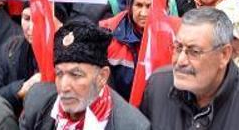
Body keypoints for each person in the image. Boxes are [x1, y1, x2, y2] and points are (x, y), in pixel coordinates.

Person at [140, 7, 239, 129]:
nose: (181, 61)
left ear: (224, 55)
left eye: (194, 52)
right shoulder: (157, 86)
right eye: (178, 48)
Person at [19, 20, 149, 129]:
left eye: (76, 75)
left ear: (102, 77)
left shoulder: (133, 126)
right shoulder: (36, 101)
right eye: (59, 73)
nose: (64, 87)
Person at [0, 4, 67, 115]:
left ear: (60, 24)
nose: (31, 28)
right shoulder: (11, 48)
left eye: (40, 19)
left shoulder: (72, 54)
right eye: (26, 18)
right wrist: (18, 90)